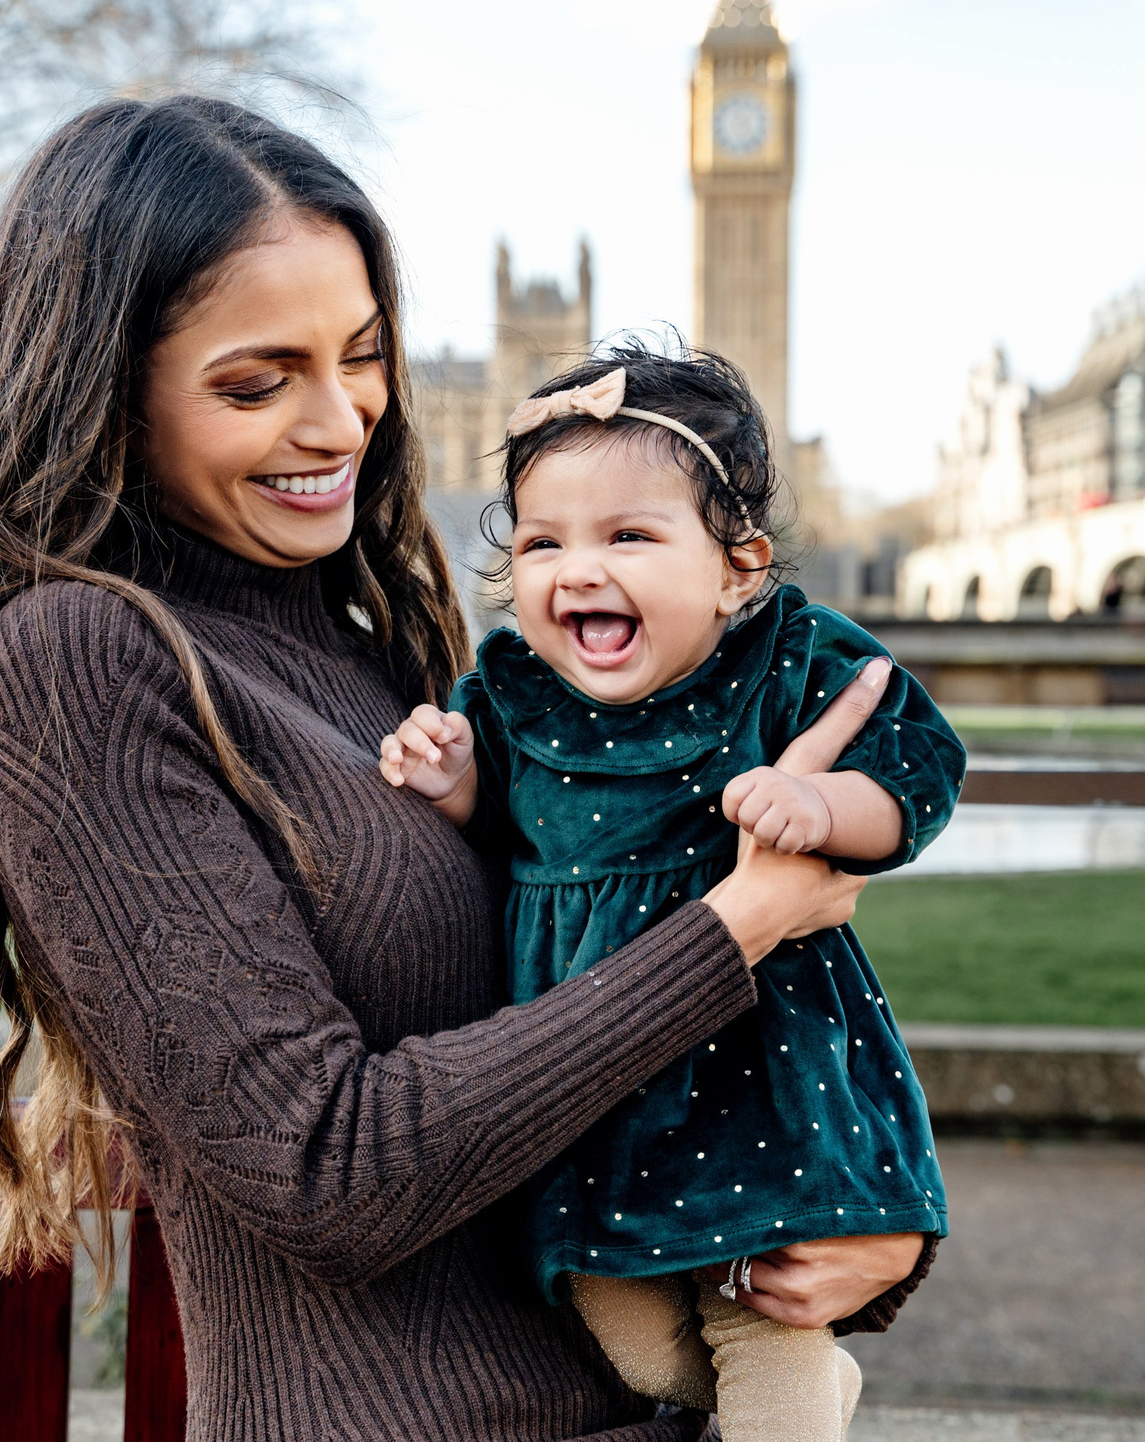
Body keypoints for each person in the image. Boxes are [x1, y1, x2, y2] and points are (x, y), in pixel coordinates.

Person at [0, 95, 927, 1441]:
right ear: (104, 385)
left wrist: (854, 1236)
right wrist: (738, 923)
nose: (341, 422)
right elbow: (323, 1170)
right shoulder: (83, 661)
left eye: (364, 356)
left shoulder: (373, 642)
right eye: (259, 381)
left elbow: (581, 1043)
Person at [380, 346, 962, 1442]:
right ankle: (807, 1398)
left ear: (738, 566)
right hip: (583, 1084)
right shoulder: (514, 691)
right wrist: (455, 786)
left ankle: (791, 1397)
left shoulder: (785, 660)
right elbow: (505, 827)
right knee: (630, 1329)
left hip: (757, 1077)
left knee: (761, 1319)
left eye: (628, 536)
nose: (577, 569)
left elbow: (919, 771)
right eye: (544, 540)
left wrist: (826, 807)